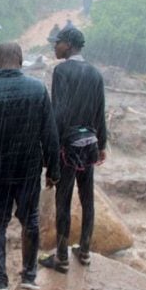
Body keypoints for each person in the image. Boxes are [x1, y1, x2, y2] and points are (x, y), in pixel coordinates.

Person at [0, 43, 60, 290]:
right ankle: (29, 277)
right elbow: (50, 135)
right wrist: (54, 170)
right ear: (21, 60)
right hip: (28, 169)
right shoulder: (37, 89)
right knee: (29, 220)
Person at [40, 26, 107, 273]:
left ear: (68, 44)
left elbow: (59, 113)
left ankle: (61, 256)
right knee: (87, 199)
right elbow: (100, 112)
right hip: (89, 144)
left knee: (63, 200)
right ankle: (85, 251)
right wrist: (102, 145)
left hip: (67, 146)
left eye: (56, 43)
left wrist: (51, 152)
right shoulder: (95, 74)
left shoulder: (62, 71)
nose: (54, 47)